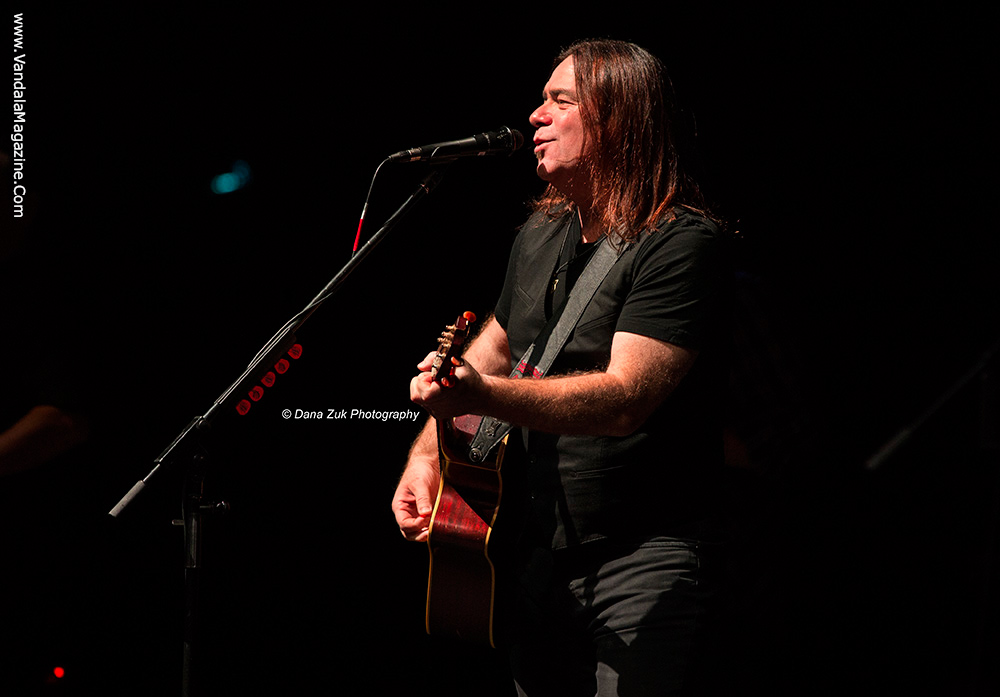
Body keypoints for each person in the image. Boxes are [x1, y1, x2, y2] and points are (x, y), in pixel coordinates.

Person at [393, 39, 731, 696]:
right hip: (533, 556)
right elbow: (492, 341)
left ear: (617, 119)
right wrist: (424, 458)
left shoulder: (681, 241)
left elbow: (626, 397)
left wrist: (485, 394)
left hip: (644, 557)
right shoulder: (539, 234)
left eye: (559, 100)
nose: (535, 115)